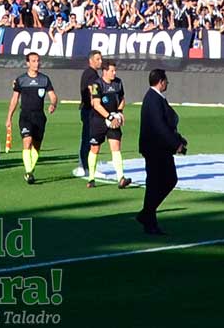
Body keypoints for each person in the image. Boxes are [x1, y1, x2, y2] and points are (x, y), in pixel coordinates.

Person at [137, 69, 187, 236]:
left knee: (156, 184)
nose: (167, 83)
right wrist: (175, 144)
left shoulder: (154, 98)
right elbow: (160, 126)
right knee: (165, 181)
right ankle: (147, 215)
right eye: (166, 80)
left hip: (158, 148)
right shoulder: (154, 99)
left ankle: (148, 219)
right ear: (161, 82)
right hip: (156, 149)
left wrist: (178, 140)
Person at [6, 52, 58, 184]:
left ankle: (30, 170)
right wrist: (9, 117)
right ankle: (29, 172)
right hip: (26, 116)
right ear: (28, 63)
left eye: (38, 61)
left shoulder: (44, 79)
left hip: (39, 117)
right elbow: (14, 99)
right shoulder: (21, 80)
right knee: (27, 141)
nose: (37, 63)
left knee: (36, 146)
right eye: (33, 61)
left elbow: (53, 96)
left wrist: (53, 104)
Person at [86, 59, 133, 189]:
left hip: (114, 120)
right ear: (105, 71)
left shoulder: (118, 83)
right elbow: (96, 104)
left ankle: (121, 178)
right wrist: (109, 116)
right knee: (95, 148)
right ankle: (91, 178)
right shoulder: (97, 85)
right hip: (98, 121)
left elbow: (122, 99)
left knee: (116, 147)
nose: (114, 73)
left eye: (115, 70)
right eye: (112, 70)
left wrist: (119, 112)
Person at [75, 51, 103, 178]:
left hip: (87, 109)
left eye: (100, 59)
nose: (100, 61)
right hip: (89, 110)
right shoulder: (91, 74)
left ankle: (85, 166)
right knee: (89, 138)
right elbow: (92, 90)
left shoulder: (90, 73)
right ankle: (85, 166)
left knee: (88, 137)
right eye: (97, 59)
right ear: (91, 60)